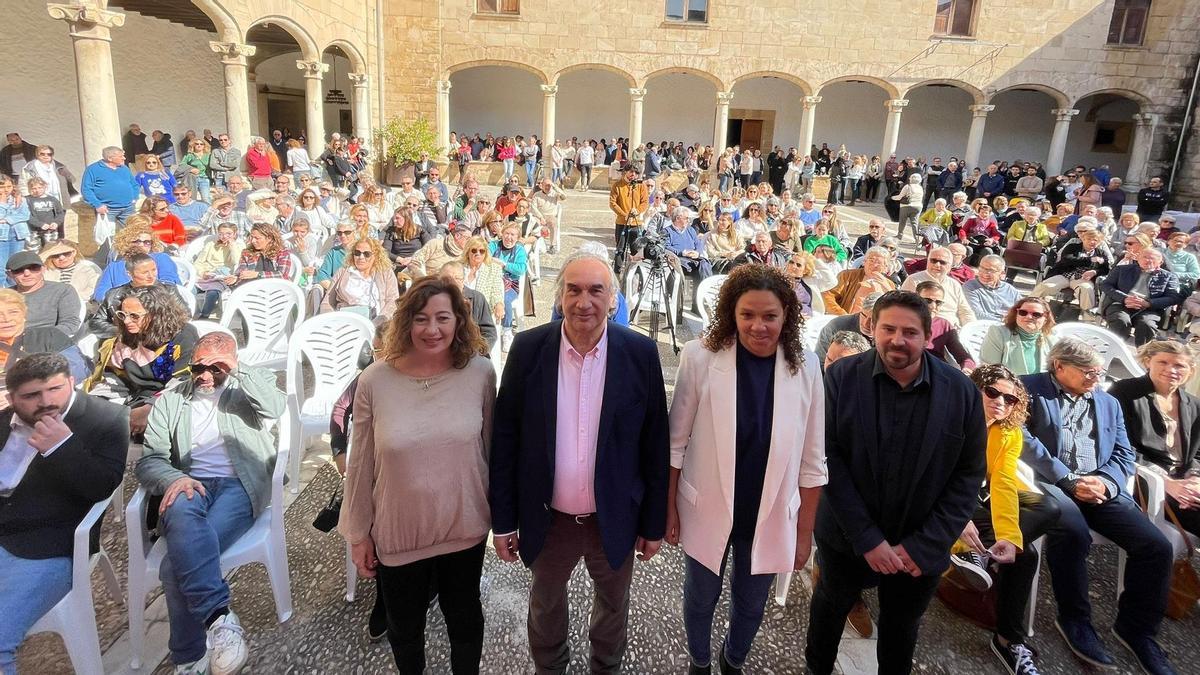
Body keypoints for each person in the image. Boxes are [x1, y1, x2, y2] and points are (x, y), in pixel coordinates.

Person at [490, 249, 669, 674]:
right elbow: (505, 438)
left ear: (613, 298)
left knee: (613, 606)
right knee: (546, 604)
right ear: (560, 296)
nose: (583, 301)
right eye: (573, 289)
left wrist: (653, 524)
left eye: (595, 290)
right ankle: (550, 668)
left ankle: (604, 667)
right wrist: (504, 519)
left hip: (615, 516)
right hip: (547, 518)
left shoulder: (640, 353)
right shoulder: (529, 348)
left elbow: (655, 445)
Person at [806, 290, 987, 675]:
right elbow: (828, 458)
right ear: (872, 328)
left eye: (909, 332)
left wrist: (923, 546)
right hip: (847, 537)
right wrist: (868, 539)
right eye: (888, 328)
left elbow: (968, 475)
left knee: (901, 629)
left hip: (920, 545)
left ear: (926, 337)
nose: (897, 339)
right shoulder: (841, 377)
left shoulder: (961, 393)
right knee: (829, 610)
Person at [665, 264, 826, 674]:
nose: (758, 326)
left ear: (786, 315)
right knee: (701, 596)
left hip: (770, 514)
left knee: (751, 602)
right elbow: (675, 445)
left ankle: (733, 660)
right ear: (731, 314)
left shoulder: (806, 365)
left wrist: (804, 535)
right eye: (747, 315)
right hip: (707, 507)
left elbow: (812, 461)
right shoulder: (700, 358)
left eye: (769, 316)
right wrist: (668, 509)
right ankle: (700, 661)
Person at [338, 276, 493, 672]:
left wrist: (506, 521)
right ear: (406, 321)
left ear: (459, 320)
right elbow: (360, 464)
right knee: (404, 629)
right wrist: (358, 534)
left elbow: (492, 452)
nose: (433, 329)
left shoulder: (480, 374)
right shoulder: (375, 380)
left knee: (465, 620)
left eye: (443, 317)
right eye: (421, 318)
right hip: (399, 532)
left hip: (464, 526)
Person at [1021, 338, 1176, 674]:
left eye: (1100, 372)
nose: (1096, 378)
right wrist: (1067, 479)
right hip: (1049, 482)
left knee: (1156, 546)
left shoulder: (1107, 401)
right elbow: (1020, 438)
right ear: (1059, 366)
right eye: (1088, 372)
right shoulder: (1028, 388)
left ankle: (1136, 630)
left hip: (1099, 485)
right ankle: (1075, 619)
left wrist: (1105, 482)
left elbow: (1124, 453)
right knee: (1074, 533)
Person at [137, 332, 286, 675]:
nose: (206, 375)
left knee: (176, 566)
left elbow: (275, 407)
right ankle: (220, 619)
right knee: (187, 538)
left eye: (216, 368)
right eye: (198, 367)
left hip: (239, 484)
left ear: (231, 364)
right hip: (187, 484)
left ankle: (188, 658)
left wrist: (237, 370)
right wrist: (174, 477)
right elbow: (149, 461)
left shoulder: (246, 384)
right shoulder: (172, 400)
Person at [0, 353, 128, 674]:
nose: (46, 402)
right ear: (11, 398)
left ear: (71, 382)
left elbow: (103, 487)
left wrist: (62, 446)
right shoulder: (3, 422)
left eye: (55, 389)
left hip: (47, 549)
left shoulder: (106, 420)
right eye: (31, 396)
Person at [947, 365, 1062, 675]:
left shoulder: (1007, 432)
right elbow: (933, 475)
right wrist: (959, 519)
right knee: (1029, 556)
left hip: (978, 498)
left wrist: (1009, 537)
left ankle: (1006, 637)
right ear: (976, 389)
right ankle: (965, 553)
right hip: (939, 496)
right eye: (993, 392)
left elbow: (1003, 482)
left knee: (1047, 509)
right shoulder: (950, 416)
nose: (1000, 402)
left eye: (1010, 399)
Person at [1109, 341, 1200, 540]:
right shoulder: (1124, 393)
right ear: (1148, 362)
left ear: (1190, 370)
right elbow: (1118, 446)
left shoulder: (1194, 405)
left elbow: (1198, 452)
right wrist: (1166, 482)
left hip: (1185, 483)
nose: (1171, 370)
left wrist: (1194, 478)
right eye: (1163, 362)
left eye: (1179, 365)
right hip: (1142, 480)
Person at [83, 284, 198, 437]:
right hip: (133, 396)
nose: (126, 321)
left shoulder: (182, 336)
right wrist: (96, 401)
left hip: (170, 398)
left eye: (135, 316)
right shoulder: (127, 336)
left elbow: (183, 382)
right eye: (122, 315)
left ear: (156, 314)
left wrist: (149, 407)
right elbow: (115, 377)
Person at [1099, 247, 1184, 345]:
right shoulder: (1121, 269)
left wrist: (1149, 303)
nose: (1148, 260)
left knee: (1146, 324)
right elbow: (1105, 285)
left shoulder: (1169, 277)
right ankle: (1115, 348)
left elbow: (1173, 297)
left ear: (1160, 262)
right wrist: (1124, 298)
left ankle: (1142, 354)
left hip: (1150, 309)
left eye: (1152, 258)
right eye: (1145, 257)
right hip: (1120, 303)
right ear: (1138, 259)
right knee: (1121, 320)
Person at [92, 216, 180, 301]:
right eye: (137, 241)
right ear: (127, 243)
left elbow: (169, 284)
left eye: (147, 242)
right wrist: (120, 300)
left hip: (155, 303)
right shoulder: (114, 266)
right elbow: (100, 293)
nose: (141, 245)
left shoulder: (161, 259)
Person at [1032, 226, 1112, 319]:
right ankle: (1028, 305)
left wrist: (1094, 272)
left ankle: (1088, 319)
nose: (1092, 242)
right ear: (1083, 239)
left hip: (1083, 278)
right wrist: (1090, 259)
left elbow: (1105, 269)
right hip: (1065, 274)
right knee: (1046, 286)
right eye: (1089, 239)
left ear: (1099, 242)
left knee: (1086, 289)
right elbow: (1067, 259)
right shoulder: (1073, 247)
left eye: (1095, 240)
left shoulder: (1101, 253)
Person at [320, 237, 399, 320]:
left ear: (376, 255)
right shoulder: (343, 272)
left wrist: (379, 322)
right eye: (357, 253)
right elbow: (327, 302)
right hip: (345, 320)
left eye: (366, 254)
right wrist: (331, 320)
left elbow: (393, 301)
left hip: (377, 321)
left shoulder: (385, 272)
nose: (361, 257)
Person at [6, 251, 80, 337]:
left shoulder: (62, 291)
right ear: (9, 274)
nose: (27, 273)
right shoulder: (5, 296)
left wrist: (38, 338)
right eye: (19, 270)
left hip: (47, 342)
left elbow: (70, 324)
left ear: (43, 269)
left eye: (34, 268)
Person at [901, 247, 976, 327]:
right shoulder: (913, 280)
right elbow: (903, 309)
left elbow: (965, 311)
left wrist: (971, 328)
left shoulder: (954, 284)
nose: (937, 265)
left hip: (952, 329)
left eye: (942, 262)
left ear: (950, 266)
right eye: (933, 261)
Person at [914, 280, 976, 371]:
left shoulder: (944, 325)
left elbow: (964, 358)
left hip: (936, 371)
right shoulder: (901, 321)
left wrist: (966, 369)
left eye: (938, 302)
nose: (933, 306)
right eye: (927, 301)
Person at [488, 224, 528, 351]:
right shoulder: (493, 245)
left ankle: (507, 331)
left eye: (513, 235)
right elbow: (486, 259)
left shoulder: (519, 250)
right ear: (502, 234)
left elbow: (521, 269)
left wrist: (504, 264)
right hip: (493, 281)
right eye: (507, 233)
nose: (509, 237)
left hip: (510, 284)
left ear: (517, 237)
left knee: (504, 299)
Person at [193, 223, 245, 320]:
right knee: (191, 289)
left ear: (234, 234)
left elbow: (236, 262)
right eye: (221, 234)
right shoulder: (211, 245)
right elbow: (198, 263)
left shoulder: (238, 247)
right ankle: (190, 313)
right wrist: (202, 273)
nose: (224, 236)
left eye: (228, 234)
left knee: (213, 293)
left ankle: (204, 316)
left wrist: (232, 245)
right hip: (206, 274)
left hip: (221, 276)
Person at [81, 146, 140, 226]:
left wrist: (134, 197)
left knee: (133, 233)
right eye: (121, 156)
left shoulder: (124, 168)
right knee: (107, 236)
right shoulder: (93, 169)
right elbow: (86, 189)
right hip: (107, 209)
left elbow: (134, 185)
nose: (124, 158)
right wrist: (97, 205)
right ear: (110, 158)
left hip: (128, 208)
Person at [826, 247, 895, 314]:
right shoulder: (847, 276)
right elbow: (828, 296)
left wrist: (888, 290)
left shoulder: (889, 284)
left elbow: (893, 308)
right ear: (864, 262)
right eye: (871, 260)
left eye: (879, 263)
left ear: (886, 267)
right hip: (847, 320)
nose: (874, 265)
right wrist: (841, 315)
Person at [608, 163, 649, 274]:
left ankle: (636, 271)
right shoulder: (617, 185)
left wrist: (638, 210)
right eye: (631, 172)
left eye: (636, 173)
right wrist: (623, 214)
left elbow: (645, 202)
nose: (633, 175)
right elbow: (612, 203)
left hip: (637, 223)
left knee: (636, 249)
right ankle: (617, 271)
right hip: (622, 222)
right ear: (625, 172)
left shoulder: (641, 186)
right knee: (620, 249)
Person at [460, 235, 505, 328]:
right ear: (468, 251)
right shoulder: (459, 267)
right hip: (459, 309)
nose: (478, 253)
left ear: (485, 253)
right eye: (474, 250)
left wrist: (499, 305)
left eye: (481, 251)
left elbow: (496, 292)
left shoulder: (493, 269)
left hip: (480, 312)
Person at [963, 255, 1021, 322]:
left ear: (1002, 273)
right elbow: (977, 314)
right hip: (985, 325)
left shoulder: (1010, 289)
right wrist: (1003, 321)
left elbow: (1022, 308)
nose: (985, 274)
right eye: (982, 268)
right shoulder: (970, 287)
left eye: (990, 270)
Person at [0, 177, 30, 286]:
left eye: (9, 186)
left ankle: (13, 288)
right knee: (1, 265)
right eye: (2, 187)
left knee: (15, 263)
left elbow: (25, 215)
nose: (6, 190)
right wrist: (2, 204)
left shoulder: (18, 198)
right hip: (2, 236)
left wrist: (7, 220)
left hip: (17, 234)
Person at [892, 173, 924, 242]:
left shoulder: (907, 186)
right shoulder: (920, 187)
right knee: (914, 223)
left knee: (902, 221)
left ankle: (899, 235)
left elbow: (900, 197)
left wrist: (892, 198)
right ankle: (916, 238)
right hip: (918, 206)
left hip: (906, 206)